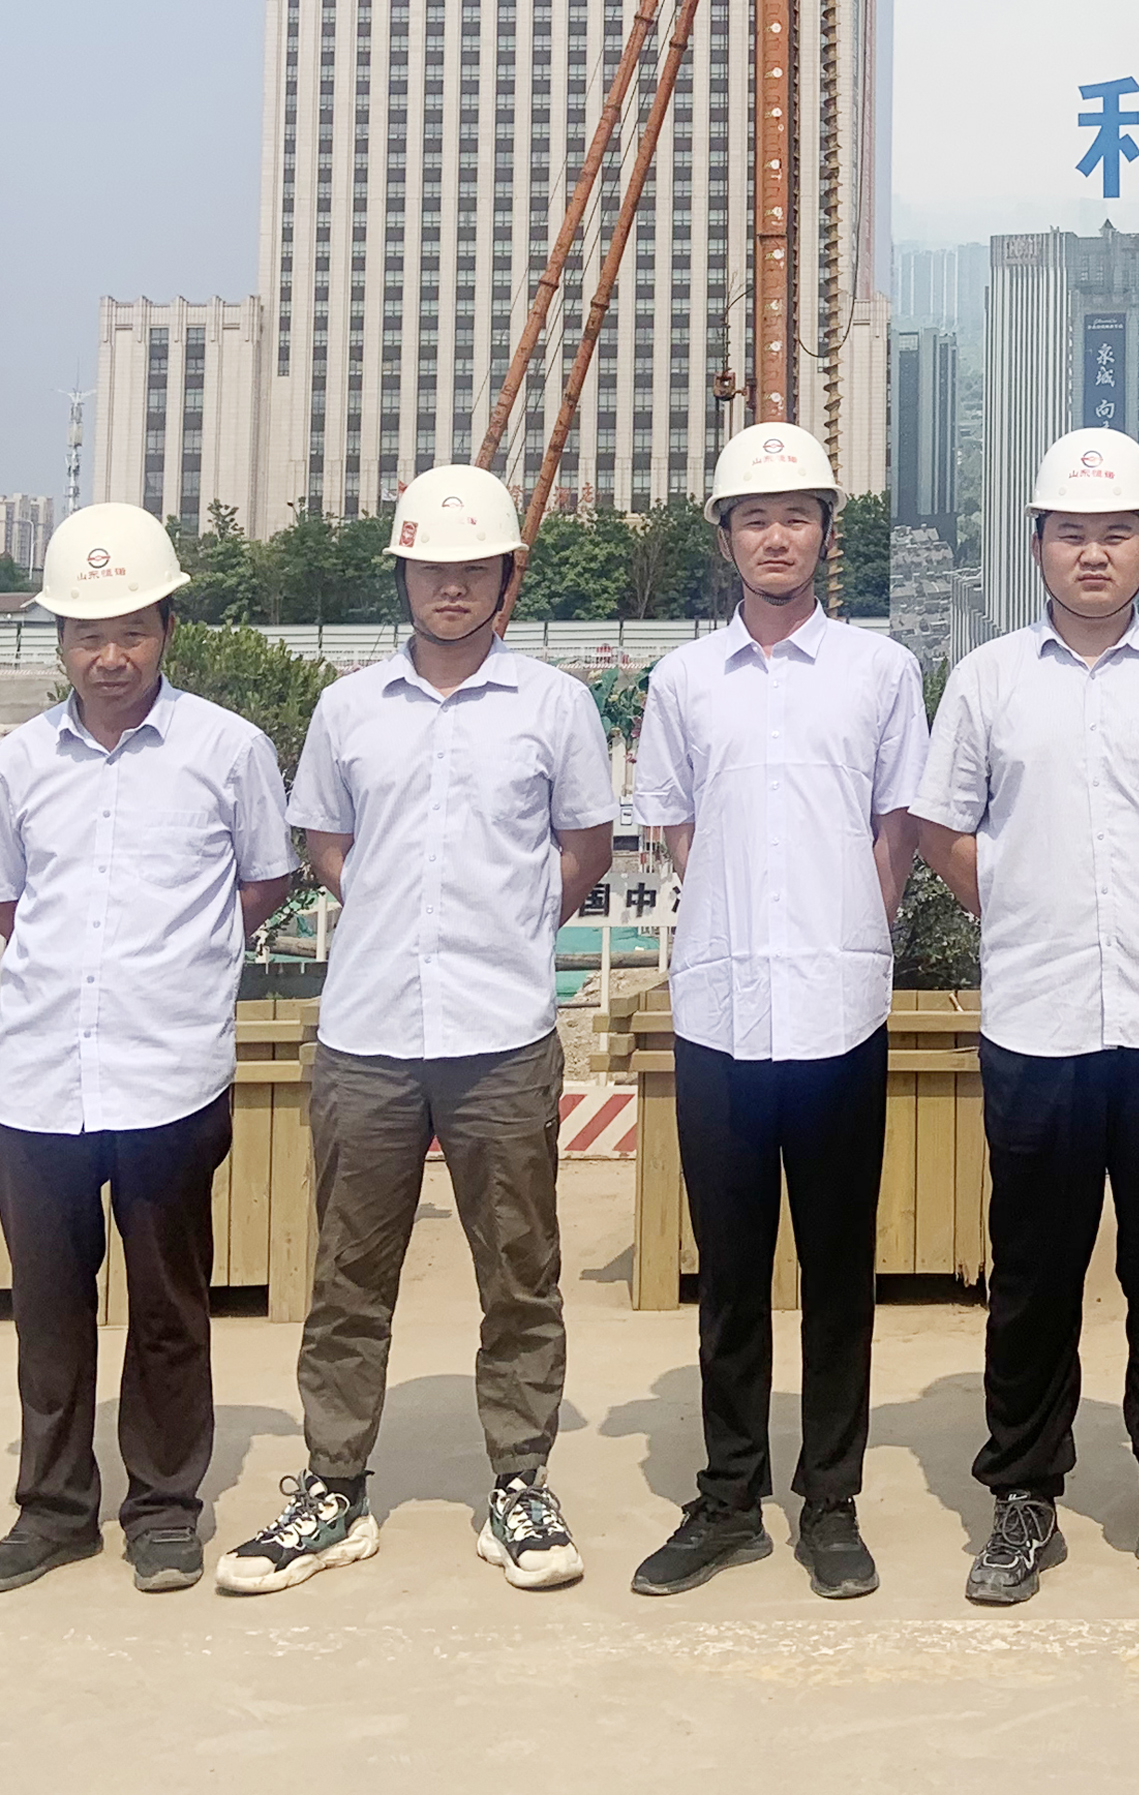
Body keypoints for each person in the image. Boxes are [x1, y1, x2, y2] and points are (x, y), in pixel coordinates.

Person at [217, 466, 616, 1596]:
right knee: (349, 1274)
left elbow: (583, 850)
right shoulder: (349, 709)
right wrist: (401, 911)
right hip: (369, 1031)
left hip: (501, 1032)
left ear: (504, 578)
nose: (451, 585)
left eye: (473, 568)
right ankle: (333, 1486)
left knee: (521, 1272)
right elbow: (326, 845)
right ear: (402, 574)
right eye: (431, 568)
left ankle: (520, 1482)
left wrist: (504, 923)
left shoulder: (555, 705)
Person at [914, 428, 1139, 1607]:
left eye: (1115, 532)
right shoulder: (987, 680)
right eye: (1070, 533)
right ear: (1036, 544)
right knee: (1034, 1270)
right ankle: (1024, 1493)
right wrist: (1024, 908)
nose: (1092, 553)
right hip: (1039, 1023)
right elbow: (943, 831)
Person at [628, 425, 927, 1601]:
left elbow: (895, 827)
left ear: (825, 534)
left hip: (839, 1009)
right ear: (726, 539)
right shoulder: (683, 682)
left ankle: (831, 1500)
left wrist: (847, 925)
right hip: (721, 1010)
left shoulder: (879, 671)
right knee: (732, 1271)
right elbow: (676, 825)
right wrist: (740, 920)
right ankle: (728, 1497)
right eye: (753, 518)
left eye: (796, 516)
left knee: (840, 1270)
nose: (775, 536)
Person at [0, 505, 294, 1596]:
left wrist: (174, 969)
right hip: (37, 1077)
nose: (110, 655)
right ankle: (54, 1509)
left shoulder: (228, 750)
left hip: (168, 1071)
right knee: (47, 1310)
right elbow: (10, 905)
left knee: (170, 1305)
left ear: (169, 627)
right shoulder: (20, 761)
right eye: (88, 633)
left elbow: (263, 883)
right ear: (60, 642)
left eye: (131, 629)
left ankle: (164, 1508)